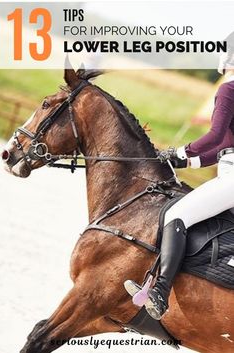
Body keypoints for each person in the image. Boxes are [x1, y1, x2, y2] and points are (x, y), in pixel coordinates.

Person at [124, 32, 234, 320]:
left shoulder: (228, 89)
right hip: (228, 171)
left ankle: (159, 292)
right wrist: (186, 161)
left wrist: (180, 152)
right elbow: (223, 147)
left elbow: (215, 136)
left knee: (177, 215)